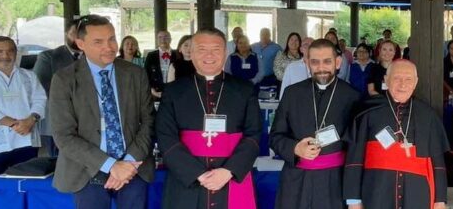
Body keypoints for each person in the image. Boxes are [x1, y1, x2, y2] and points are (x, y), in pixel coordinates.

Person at [49, 15, 154, 208]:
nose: (109, 47)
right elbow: (64, 135)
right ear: (80, 43)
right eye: (98, 42)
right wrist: (112, 165)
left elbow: (149, 122)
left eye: (112, 39)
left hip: (133, 167)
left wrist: (127, 164)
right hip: (86, 169)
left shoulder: (135, 74)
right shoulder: (64, 80)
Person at [156, 28, 261, 209]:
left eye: (216, 49)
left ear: (226, 53)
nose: (209, 55)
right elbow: (165, 136)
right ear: (192, 52)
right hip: (187, 180)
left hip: (230, 176)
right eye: (202, 49)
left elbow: (254, 134)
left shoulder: (244, 89)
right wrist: (197, 174)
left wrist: (229, 171)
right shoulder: (174, 91)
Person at [343, 60, 449, 209]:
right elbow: (355, 158)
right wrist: (353, 200)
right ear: (386, 79)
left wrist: (440, 200)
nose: (403, 84)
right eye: (397, 78)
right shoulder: (368, 112)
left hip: (417, 194)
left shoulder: (428, 115)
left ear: (416, 82)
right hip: (377, 192)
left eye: (408, 79)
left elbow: (438, 162)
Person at [270, 39, 361, 208]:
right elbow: (275, 136)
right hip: (296, 180)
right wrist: (295, 148)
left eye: (327, 61)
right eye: (315, 62)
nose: (321, 68)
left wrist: (354, 197)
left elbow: (357, 149)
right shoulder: (292, 94)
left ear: (338, 62)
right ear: (307, 63)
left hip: (335, 182)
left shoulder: (353, 97)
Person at [0, 37, 46, 178]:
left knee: (23, 186)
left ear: (16, 52)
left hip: (26, 143)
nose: (5, 56)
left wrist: (31, 120)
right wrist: (15, 124)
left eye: (10, 51)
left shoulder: (29, 76)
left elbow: (41, 100)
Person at [33, 17, 83, 156]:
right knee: (58, 165)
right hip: (58, 123)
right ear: (66, 34)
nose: (77, 38)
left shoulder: (92, 58)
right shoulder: (48, 57)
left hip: (87, 125)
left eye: (81, 34)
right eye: (74, 33)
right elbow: (42, 90)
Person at [143, 30, 176, 99]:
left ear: (170, 39)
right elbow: (146, 74)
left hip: (174, 92)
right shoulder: (151, 55)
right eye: (160, 37)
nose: (163, 40)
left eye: (166, 37)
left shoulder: (177, 54)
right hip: (155, 92)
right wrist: (151, 90)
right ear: (157, 40)